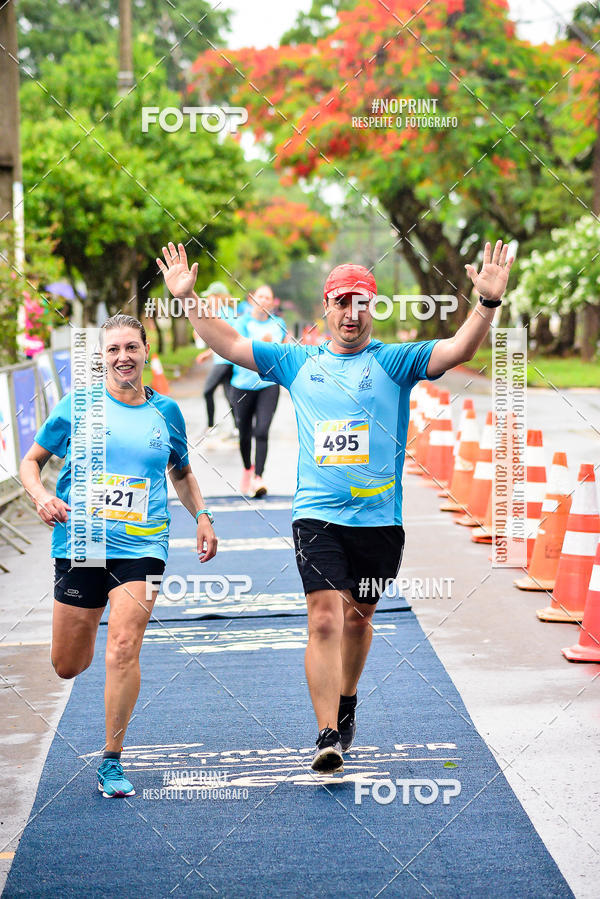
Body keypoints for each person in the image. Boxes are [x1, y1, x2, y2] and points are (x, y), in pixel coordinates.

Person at [157, 239, 514, 773]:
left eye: (361, 301)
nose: (351, 312)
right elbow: (229, 344)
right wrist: (187, 299)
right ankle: (326, 732)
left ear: (373, 307)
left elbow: (458, 349)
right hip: (317, 516)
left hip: (380, 521)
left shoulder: (395, 361)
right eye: (342, 301)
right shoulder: (297, 361)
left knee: (357, 618)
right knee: (324, 619)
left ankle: (347, 698)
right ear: (326, 308)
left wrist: (485, 303)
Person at [19, 314, 217, 797]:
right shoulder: (78, 406)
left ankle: (111, 759)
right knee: (68, 664)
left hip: (143, 546)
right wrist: (42, 497)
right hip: (82, 542)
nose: (123, 357)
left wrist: (203, 516)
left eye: (131, 347)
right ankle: (90, 666)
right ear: (102, 357)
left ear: (146, 351)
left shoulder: (166, 411)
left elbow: (181, 472)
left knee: (124, 646)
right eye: (113, 350)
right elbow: (31, 462)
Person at [227, 284, 287, 497]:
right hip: (242, 385)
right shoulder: (241, 322)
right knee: (244, 433)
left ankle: (258, 477)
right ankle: (247, 469)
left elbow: (279, 351)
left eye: (268, 297)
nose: (264, 300)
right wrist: (259, 344)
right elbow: (238, 346)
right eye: (260, 296)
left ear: (272, 302)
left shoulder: (278, 324)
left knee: (261, 431)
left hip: (268, 385)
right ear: (252, 299)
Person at [195, 281, 239, 435]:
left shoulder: (223, 313)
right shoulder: (226, 312)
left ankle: (211, 426)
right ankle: (238, 427)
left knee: (208, 391)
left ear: (218, 297)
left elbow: (223, 340)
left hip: (224, 361)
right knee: (229, 395)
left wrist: (206, 353)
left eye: (210, 297)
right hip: (227, 360)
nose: (207, 301)